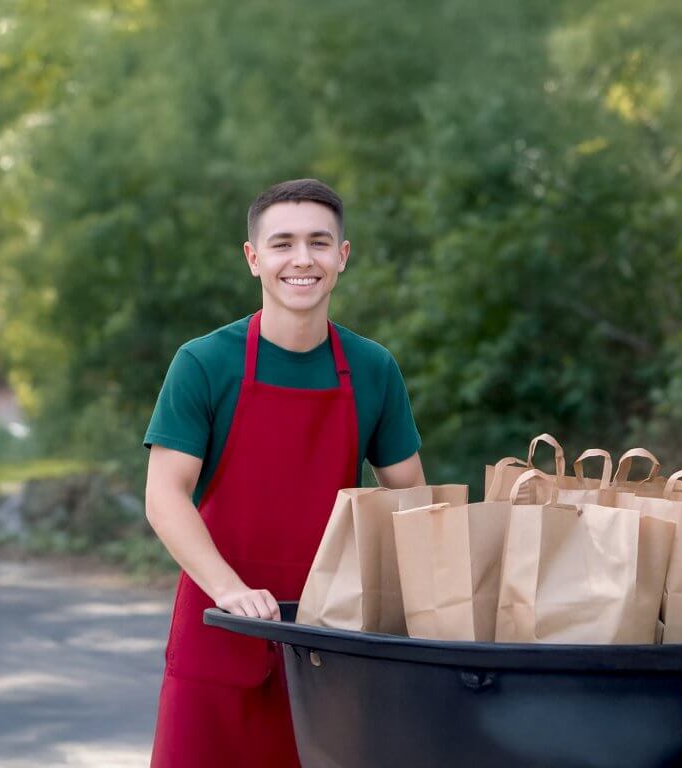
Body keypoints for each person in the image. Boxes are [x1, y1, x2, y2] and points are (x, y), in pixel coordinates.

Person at [144, 178, 424, 766]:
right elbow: (165, 496)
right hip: (218, 631)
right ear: (253, 258)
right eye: (283, 243)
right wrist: (231, 592)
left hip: (332, 643)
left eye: (320, 243)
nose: (302, 259)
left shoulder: (373, 369)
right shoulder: (203, 362)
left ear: (342, 257)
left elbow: (413, 505)